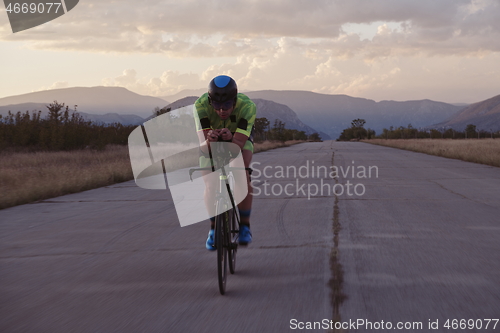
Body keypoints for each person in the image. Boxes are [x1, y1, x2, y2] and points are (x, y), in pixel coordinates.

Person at [194, 75, 256, 250]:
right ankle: (213, 229)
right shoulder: (200, 106)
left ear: (235, 100)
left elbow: (238, 145)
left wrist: (231, 140)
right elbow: (204, 150)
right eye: (216, 105)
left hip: (238, 139)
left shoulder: (247, 107)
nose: (222, 111)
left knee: (242, 173)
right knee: (210, 183)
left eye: (227, 105)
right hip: (212, 142)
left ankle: (244, 225)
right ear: (210, 101)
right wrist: (208, 141)